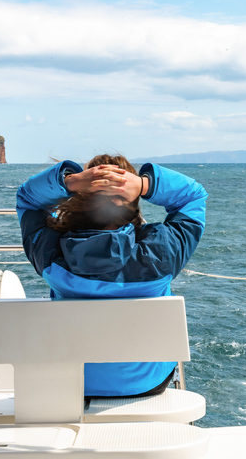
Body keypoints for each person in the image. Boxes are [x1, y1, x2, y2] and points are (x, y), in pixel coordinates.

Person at [16, 154, 207, 397]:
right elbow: (192, 195)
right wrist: (144, 185)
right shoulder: (163, 253)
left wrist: (69, 181)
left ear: (80, 199)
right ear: (133, 202)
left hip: (74, 380)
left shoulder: (49, 252)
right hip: (146, 383)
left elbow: (28, 199)